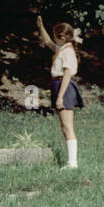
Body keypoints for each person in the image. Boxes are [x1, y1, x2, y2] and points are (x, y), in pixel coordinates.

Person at [36, 15, 83, 168]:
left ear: (62, 37)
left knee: (67, 126)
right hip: (59, 84)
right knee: (64, 125)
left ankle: (72, 163)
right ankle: (71, 162)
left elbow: (67, 75)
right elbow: (48, 41)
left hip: (64, 86)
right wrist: (40, 27)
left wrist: (60, 97)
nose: (54, 39)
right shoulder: (62, 48)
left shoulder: (67, 52)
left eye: (57, 37)